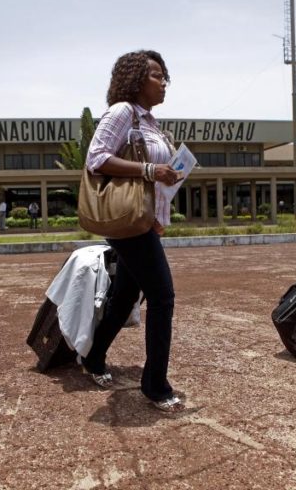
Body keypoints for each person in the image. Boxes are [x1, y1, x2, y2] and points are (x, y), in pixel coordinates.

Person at [80, 49, 184, 413]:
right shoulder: (122, 111)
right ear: (136, 79)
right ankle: (155, 384)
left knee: (125, 294)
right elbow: (95, 158)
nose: (163, 82)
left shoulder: (151, 124)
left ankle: (92, 358)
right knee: (162, 296)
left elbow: (157, 179)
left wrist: (161, 209)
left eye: (164, 76)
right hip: (126, 221)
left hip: (143, 222)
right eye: (156, 75)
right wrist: (150, 171)